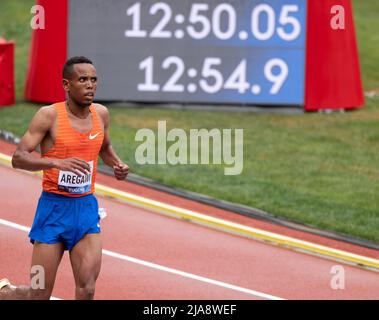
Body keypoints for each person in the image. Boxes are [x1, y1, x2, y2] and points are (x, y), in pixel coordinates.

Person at [0, 56, 129, 300]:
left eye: (93, 80)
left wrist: (117, 164)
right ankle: (5, 292)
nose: (90, 85)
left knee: (87, 288)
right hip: (52, 211)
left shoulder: (101, 114)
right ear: (66, 84)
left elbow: (105, 147)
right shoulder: (48, 116)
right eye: (82, 80)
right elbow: (18, 158)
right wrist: (56, 162)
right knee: (38, 294)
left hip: (86, 210)